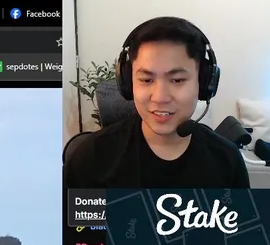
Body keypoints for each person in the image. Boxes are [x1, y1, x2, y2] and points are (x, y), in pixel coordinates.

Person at [64, 17, 249, 189]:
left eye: (177, 80)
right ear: (128, 83)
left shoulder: (227, 162)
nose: (160, 97)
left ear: (203, 83)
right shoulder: (91, 158)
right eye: (146, 80)